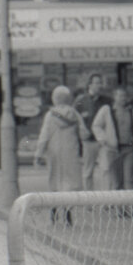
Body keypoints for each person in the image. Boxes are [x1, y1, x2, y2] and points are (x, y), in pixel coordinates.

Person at [34, 85, 84, 225]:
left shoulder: (50, 115)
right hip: (70, 152)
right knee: (69, 183)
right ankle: (68, 214)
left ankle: (54, 212)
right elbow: (84, 133)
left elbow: (44, 136)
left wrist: (38, 153)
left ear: (55, 99)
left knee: (55, 181)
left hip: (54, 153)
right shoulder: (74, 114)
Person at [90, 84, 133, 190]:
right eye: (120, 96)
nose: (123, 98)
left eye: (125, 96)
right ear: (114, 97)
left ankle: (131, 205)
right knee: (115, 182)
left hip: (130, 149)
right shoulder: (106, 110)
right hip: (113, 150)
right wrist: (104, 139)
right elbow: (96, 125)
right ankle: (117, 206)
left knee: (129, 180)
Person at [73, 73, 108, 189]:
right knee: (88, 171)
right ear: (90, 84)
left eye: (100, 83)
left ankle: (106, 200)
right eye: (97, 82)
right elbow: (74, 119)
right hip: (88, 141)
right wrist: (80, 134)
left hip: (104, 141)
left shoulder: (107, 101)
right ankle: (88, 200)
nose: (99, 85)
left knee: (105, 169)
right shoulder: (80, 101)